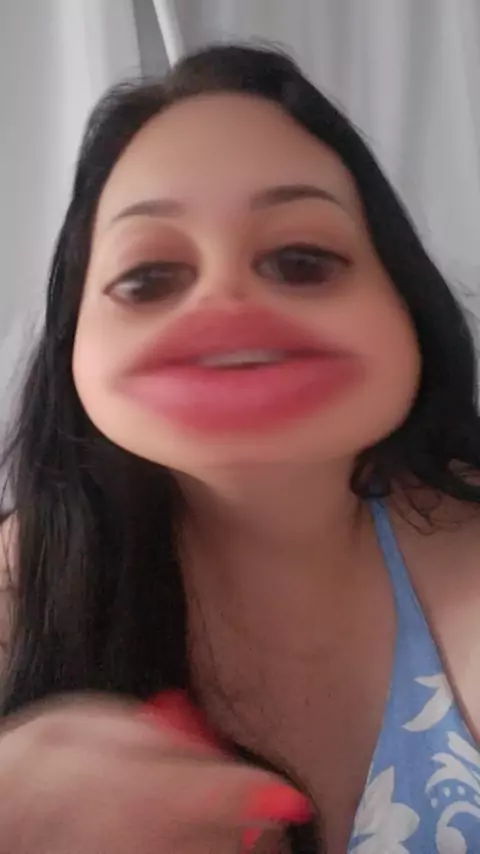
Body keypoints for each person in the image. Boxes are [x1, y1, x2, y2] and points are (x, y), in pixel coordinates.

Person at [0, 42, 479, 854]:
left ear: (406, 305)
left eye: (302, 260)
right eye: (148, 278)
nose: (225, 296)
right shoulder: (23, 583)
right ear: (75, 340)